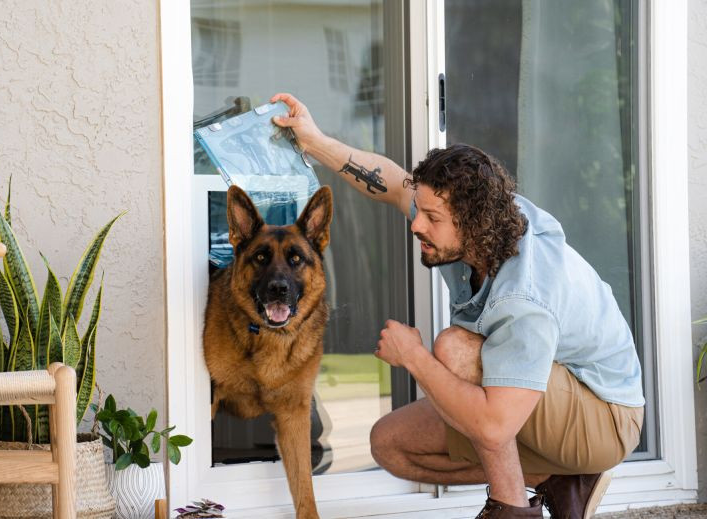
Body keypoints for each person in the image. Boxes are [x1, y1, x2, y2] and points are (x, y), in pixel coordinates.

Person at [270, 92, 645, 519]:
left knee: (454, 349)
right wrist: (314, 141)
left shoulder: (524, 297)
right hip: (546, 398)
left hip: (604, 416)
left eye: (431, 219)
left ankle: (511, 509)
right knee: (391, 445)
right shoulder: (479, 220)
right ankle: (559, 479)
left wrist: (413, 357)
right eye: (421, 210)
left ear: (473, 223)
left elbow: (494, 427)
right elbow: (392, 182)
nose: (416, 224)